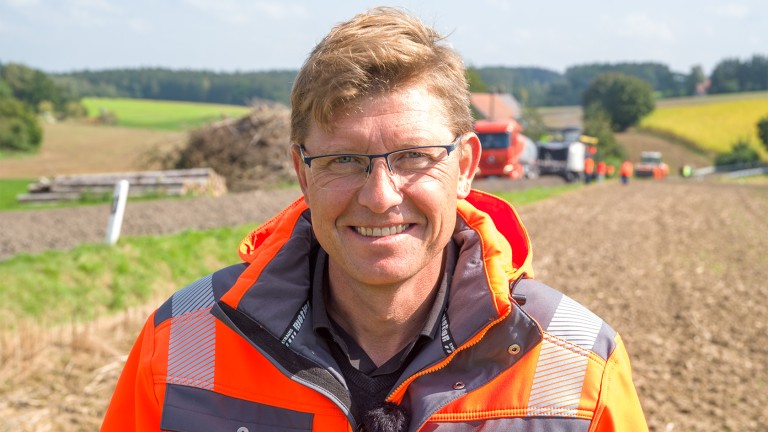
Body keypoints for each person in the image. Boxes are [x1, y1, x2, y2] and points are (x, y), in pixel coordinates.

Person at [102, 8, 647, 431]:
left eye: (413, 156)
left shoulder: (577, 364)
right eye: (344, 160)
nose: (381, 196)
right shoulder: (180, 342)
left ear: (465, 167)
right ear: (301, 172)